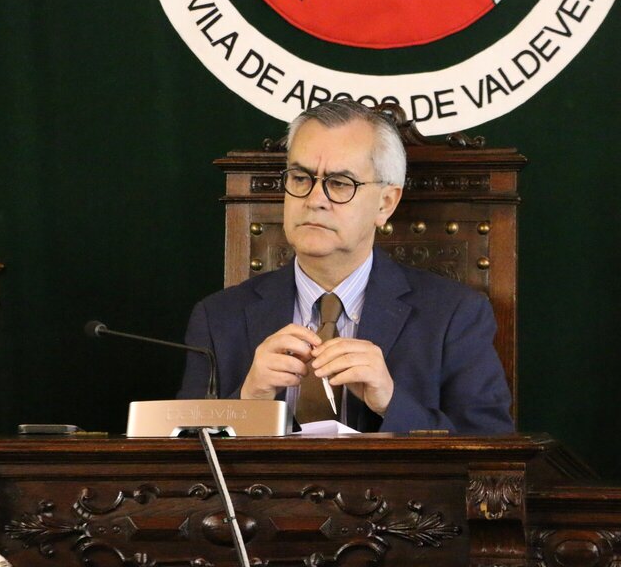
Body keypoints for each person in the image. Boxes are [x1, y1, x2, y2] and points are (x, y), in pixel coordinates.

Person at [178, 100, 513, 434]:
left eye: (339, 183)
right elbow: (182, 454)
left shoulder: (454, 314)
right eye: (300, 178)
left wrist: (391, 402)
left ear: (385, 203)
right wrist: (247, 402)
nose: (314, 200)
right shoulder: (217, 318)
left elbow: (492, 448)